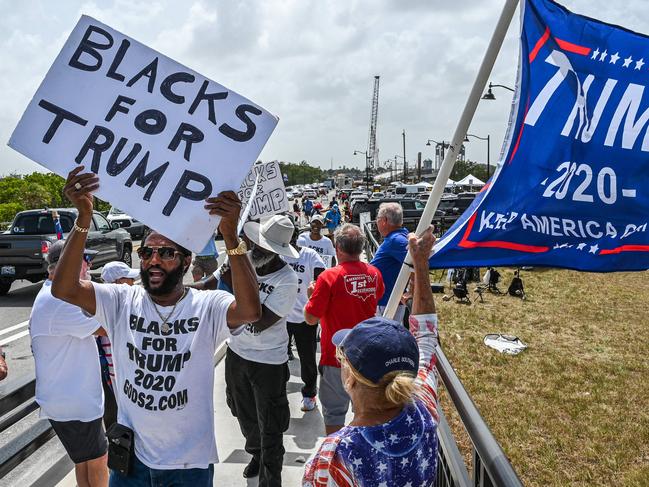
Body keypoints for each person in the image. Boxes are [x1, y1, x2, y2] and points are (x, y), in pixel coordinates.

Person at [51, 166, 261, 486]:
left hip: (188, 464)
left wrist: (231, 236)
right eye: (147, 252)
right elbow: (64, 288)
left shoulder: (206, 306)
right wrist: (83, 218)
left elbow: (249, 311)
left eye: (166, 253)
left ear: (186, 261)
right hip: (131, 460)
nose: (153, 260)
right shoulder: (122, 301)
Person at [303, 227, 440, 486]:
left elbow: (310, 317)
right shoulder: (423, 406)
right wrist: (420, 265)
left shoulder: (333, 457)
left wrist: (420, 263)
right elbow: (426, 336)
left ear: (350, 380)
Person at [195, 214, 299, 486]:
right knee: (239, 409)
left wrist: (229, 300)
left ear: (278, 253)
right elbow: (207, 286)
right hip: (237, 353)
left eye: (264, 248)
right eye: (256, 244)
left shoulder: (286, 279)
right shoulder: (241, 259)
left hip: (268, 361)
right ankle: (256, 452)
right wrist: (173, 295)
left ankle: (270, 476)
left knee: (271, 424)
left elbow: (259, 320)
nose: (256, 250)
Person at [30, 239, 108, 487]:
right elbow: (107, 328)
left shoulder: (53, 295)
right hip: (75, 403)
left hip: (67, 399)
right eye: (84, 260)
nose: (88, 265)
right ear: (68, 264)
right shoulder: (58, 301)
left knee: (85, 461)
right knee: (98, 460)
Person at [304, 224, 384, 435]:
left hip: (336, 358)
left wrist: (312, 294)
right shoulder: (374, 273)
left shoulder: (328, 277)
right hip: (366, 357)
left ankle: (334, 461)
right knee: (366, 413)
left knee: (334, 414)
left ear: (338, 247)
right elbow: (377, 298)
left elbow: (311, 319)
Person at [282, 225, 326, 412]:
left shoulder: (310, 255)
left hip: (304, 317)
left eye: (292, 239)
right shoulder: (278, 254)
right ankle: (278, 388)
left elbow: (321, 278)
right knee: (278, 356)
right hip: (280, 315)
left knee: (307, 358)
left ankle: (309, 394)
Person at [97, 262, 140, 429]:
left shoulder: (113, 304)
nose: (133, 282)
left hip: (123, 373)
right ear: (119, 283)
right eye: (129, 279)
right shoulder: (113, 307)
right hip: (119, 375)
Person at [371, 202, 411, 322]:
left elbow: (417, 262)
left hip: (388, 302)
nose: (376, 222)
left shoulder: (396, 240)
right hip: (386, 300)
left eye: (377, 218)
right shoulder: (396, 237)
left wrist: (413, 291)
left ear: (384, 220)